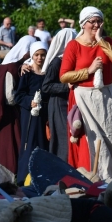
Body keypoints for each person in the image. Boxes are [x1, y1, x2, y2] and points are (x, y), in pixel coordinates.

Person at [59, 6, 112, 180]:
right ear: (83, 24)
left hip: (106, 97)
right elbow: (64, 76)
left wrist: (100, 40)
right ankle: (96, 178)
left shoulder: (107, 42)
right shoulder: (73, 46)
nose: (97, 24)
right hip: (83, 97)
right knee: (91, 140)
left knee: (111, 138)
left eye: (99, 21)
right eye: (93, 21)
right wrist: (88, 71)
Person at [0, 35, 37, 175]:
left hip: (1, 108)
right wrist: (26, 101)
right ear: (24, 50)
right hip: (5, 111)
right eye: (30, 51)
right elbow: (9, 97)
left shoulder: (14, 65)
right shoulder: (10, 67)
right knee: (7, 141)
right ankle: (7, 172)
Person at [14, 41, 49, 186]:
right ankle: (24, 177)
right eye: (37, 55)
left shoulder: (47, 73)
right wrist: (30, 101)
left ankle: (43, 175)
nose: (40, 58)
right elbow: (18, 95)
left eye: (42, 55)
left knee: (43, 143)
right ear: (32, 56)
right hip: (30, 116)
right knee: (29, 143)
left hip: (44, 114)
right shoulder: (27, 73)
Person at [41, 28, 77, 162]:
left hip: (69, 102)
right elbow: (46, 86)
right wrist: (65, 87)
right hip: (58, 104)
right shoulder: (56, 62)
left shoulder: (71, 59)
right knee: (63, 138)